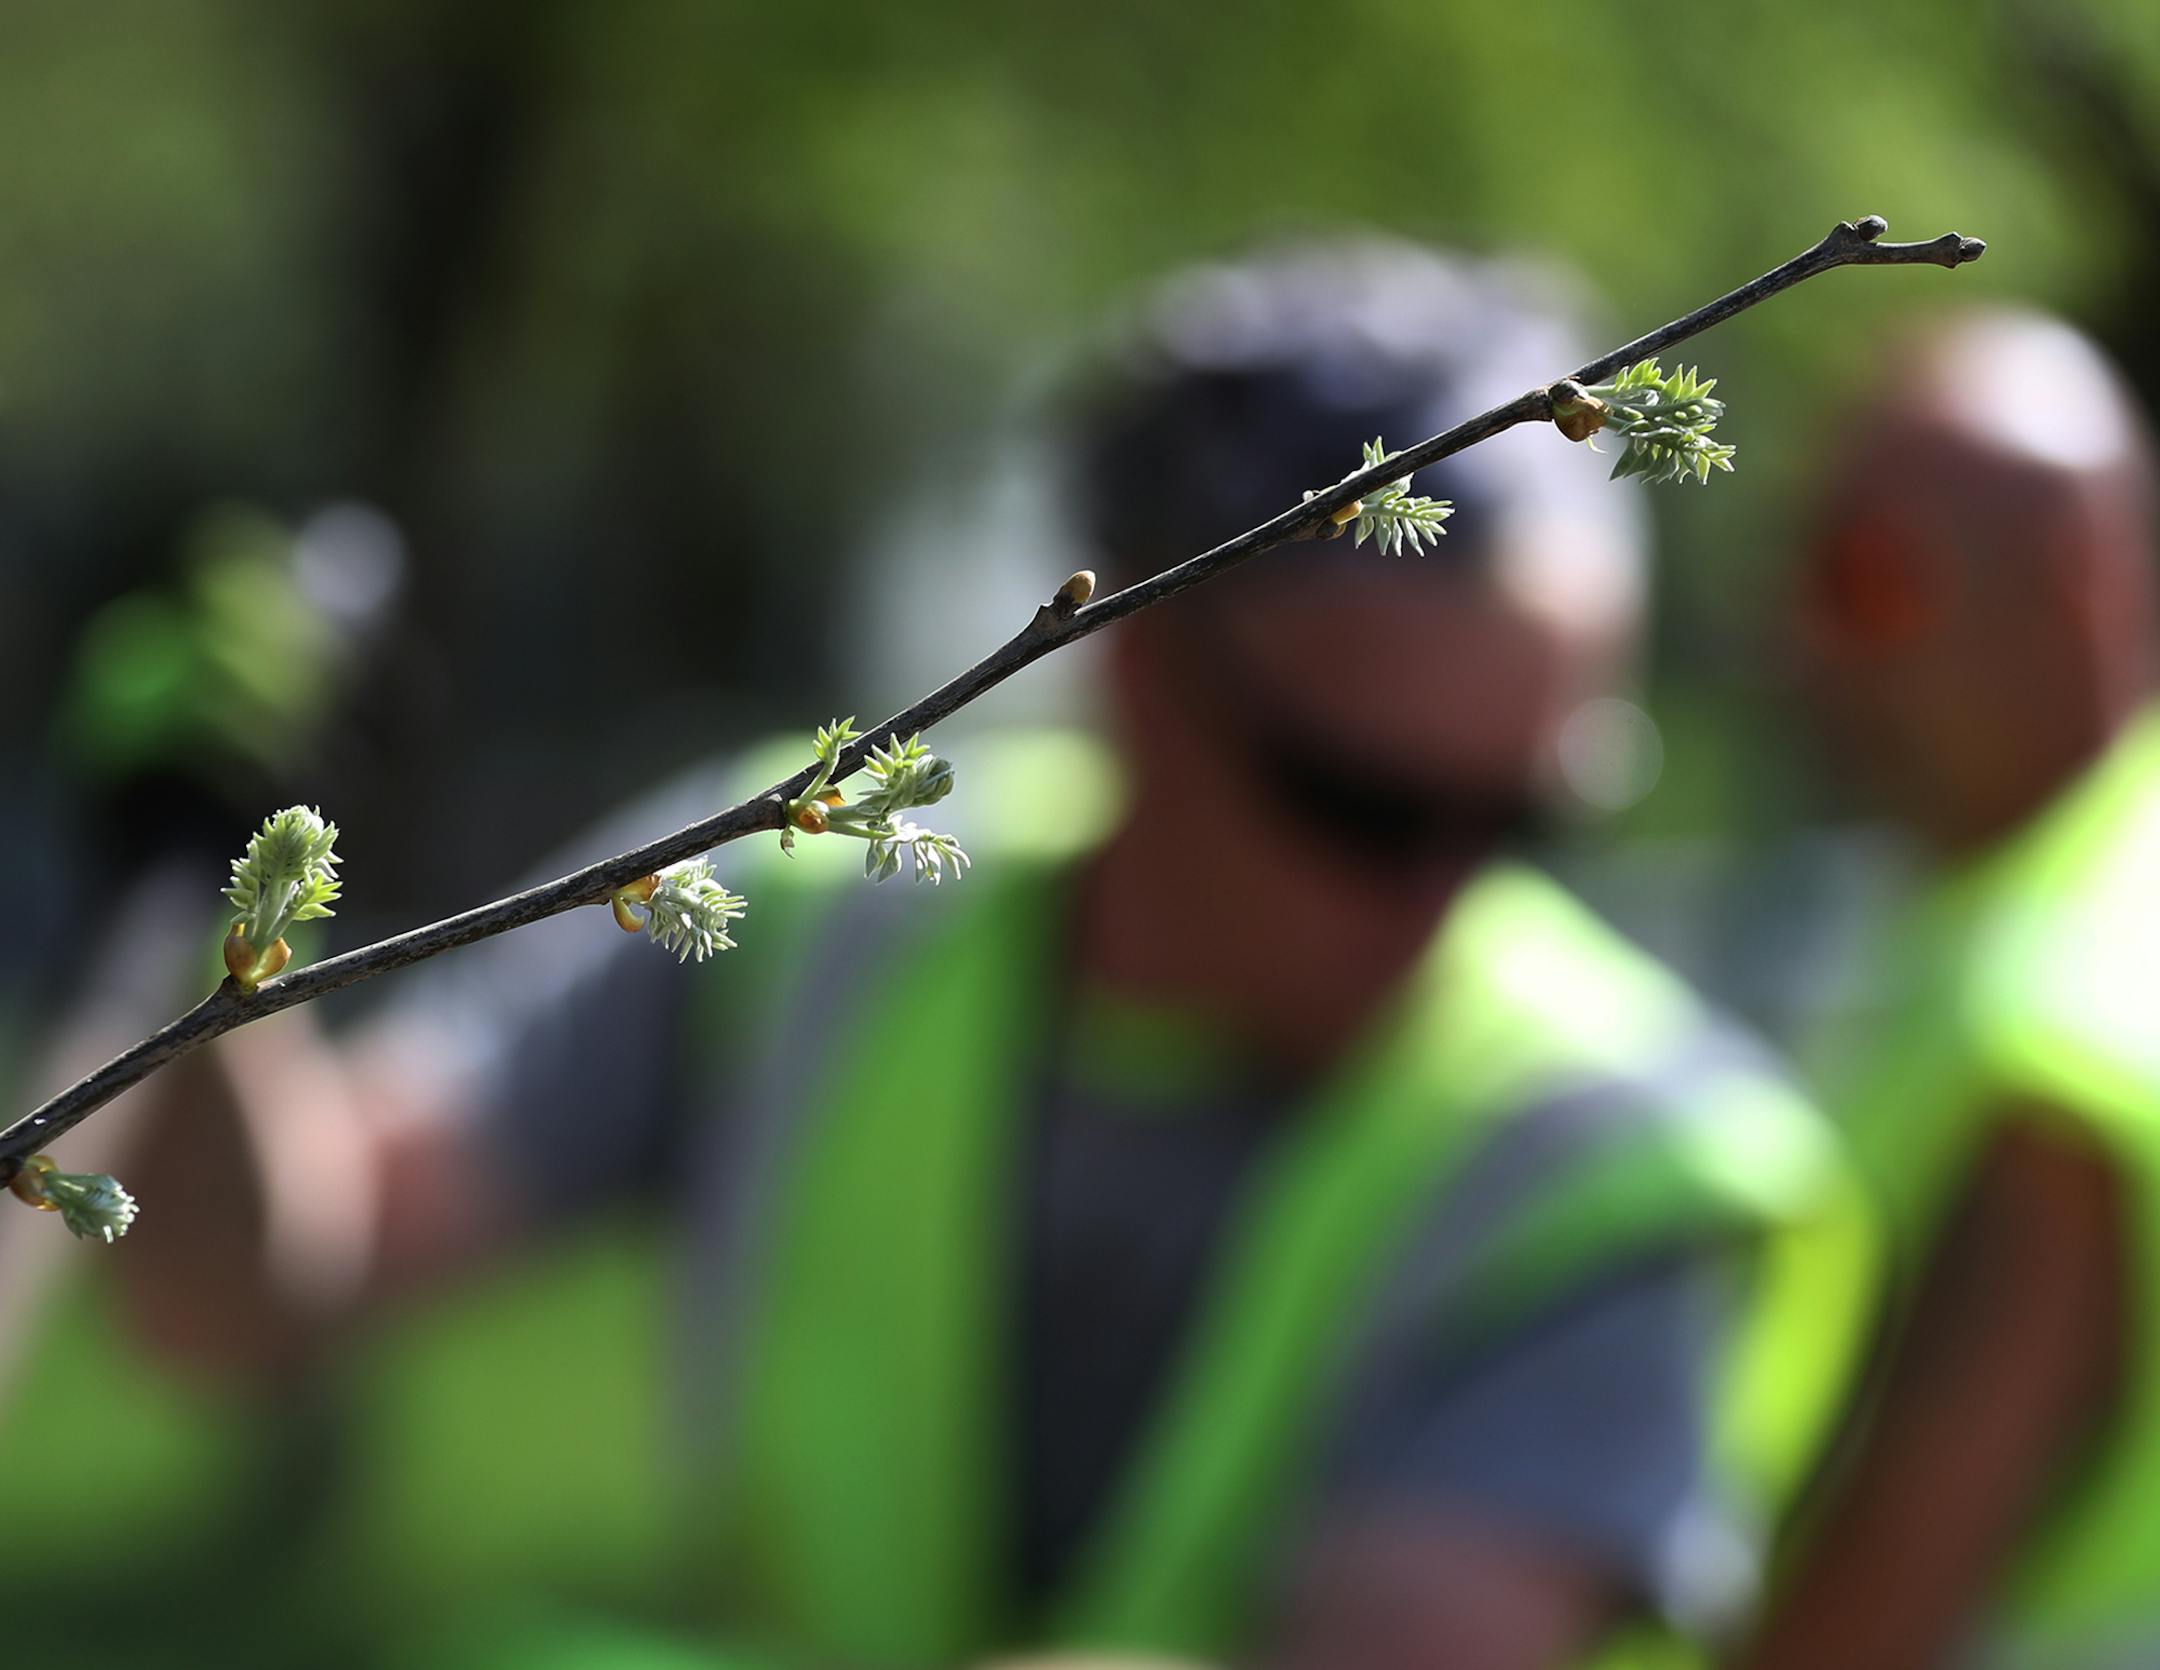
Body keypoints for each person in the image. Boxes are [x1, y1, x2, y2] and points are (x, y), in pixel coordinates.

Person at [102, 241, 1863, 1670]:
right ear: (1143, 674)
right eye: (1366, 805)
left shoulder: (1626, 1164)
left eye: (1533, 814)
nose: (1450, 888)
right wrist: (221, 924)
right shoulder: (814, 899)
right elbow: (235, 1299)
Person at [1741, 309, 2160, 1668]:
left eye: (1873, 584)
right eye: (1808, 582)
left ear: (2080, 581)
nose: (1818, 651)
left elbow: (1878, 1608)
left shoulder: (2070, 1005)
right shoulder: (2020, 912)